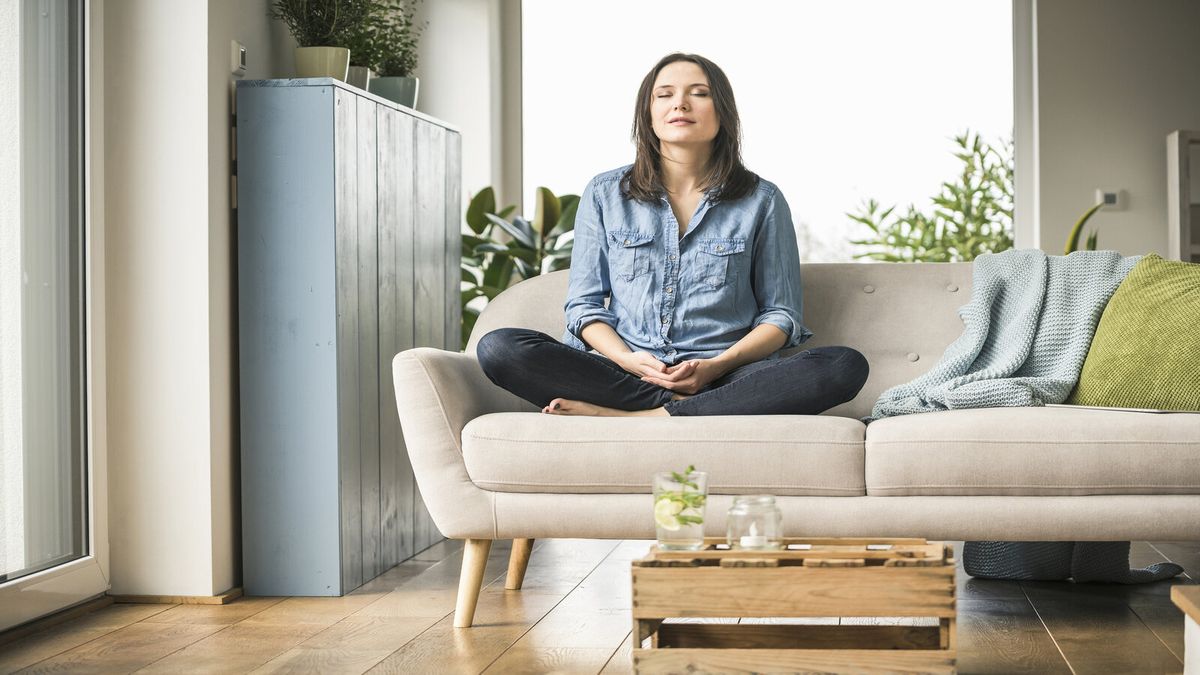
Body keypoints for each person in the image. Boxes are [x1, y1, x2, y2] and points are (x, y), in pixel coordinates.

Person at [476, 52, 868, 417]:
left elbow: (780, 317)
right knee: (500, 348)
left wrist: (716, 367)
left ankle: (639, 417)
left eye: (698, 94)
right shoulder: (605, 193)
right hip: (624, 372)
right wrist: (629, 360)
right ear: (648, 113)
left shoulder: (761, 200)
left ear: (723, 114)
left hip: (725, 376)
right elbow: (584, 306)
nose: (680, 104)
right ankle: (687, 411)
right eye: (665, 94)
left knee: (842, 366)